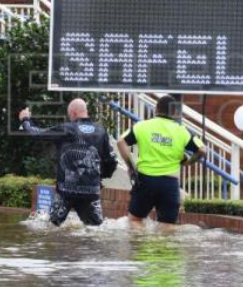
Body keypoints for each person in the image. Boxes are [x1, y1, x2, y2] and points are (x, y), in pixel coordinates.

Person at [19, 98, 117, 226]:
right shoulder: (101, 130)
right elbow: (111, 160)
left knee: (52, 226)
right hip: (91, 191)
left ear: (74, 113)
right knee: (95, 229)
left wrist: (25, 120)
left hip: (66, 192)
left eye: (70, 115)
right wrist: (100, 177)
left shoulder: (66, 128)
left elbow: (36, 133)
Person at [117, 95, 206, 228]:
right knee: (167, 225)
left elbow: (120, 142)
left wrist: (131, 166)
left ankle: (141, 246)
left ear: (156, 109)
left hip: (146, 181)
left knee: (135, 220)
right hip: (169, 184)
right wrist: (188, 163)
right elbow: (202, 150)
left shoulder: (142, 126)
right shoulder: (182, 131)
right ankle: (162, 248)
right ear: (174, 112)